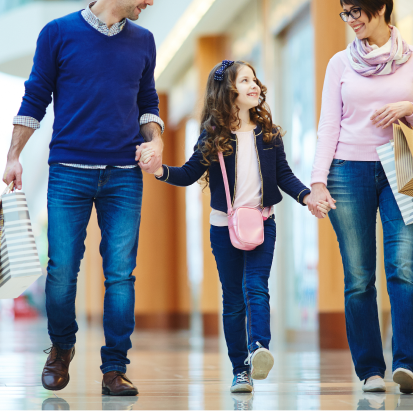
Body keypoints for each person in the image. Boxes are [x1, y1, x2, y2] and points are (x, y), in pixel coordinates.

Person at [2, 0, 164, 397]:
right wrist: (14, 155)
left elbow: (147, 100)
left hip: (123, 176)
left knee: (120, 275)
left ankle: (114, 368)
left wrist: (156, 139)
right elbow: (35, 97)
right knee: (61, 271)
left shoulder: (143, 41)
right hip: (69, 171)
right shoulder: (58, 33)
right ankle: (61, 347)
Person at [139, 60, 330, 393]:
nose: (254, 85)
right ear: (228, 91)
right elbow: (188, 174)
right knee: (232, 299)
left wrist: (306, 197)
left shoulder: (268, 134)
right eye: (245, 80)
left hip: (263, 221)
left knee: (256, 286)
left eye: (255, 79)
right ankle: (240, 370)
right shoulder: (213, 136)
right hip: (223, 228)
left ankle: (259, 348)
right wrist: (158, 171)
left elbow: (283, 175)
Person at [307, 0, 413, 394]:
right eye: (345, 13)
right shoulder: (340, 63)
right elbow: (328, 125)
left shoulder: (411, 58)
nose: (350, 19)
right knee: (358, 276)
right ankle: (370, 369)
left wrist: (408, 107)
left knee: (403, 269)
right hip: (348, 171)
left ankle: (406, 364)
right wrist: (317, 182)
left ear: (381, 9)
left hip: (400, 170)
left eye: (356, 11)